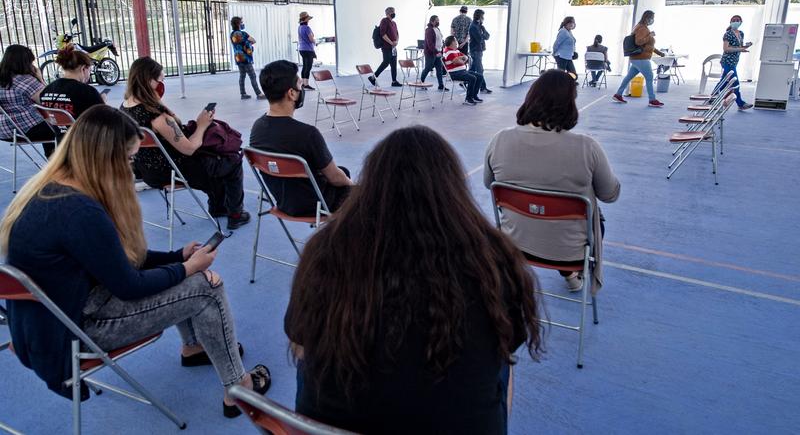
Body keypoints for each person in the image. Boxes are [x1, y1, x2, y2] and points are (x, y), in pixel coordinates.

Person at [0, 105, 270, 418]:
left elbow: (113, 259)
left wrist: (176, 258)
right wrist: (187, 267)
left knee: (183, 275)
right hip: (78, 332)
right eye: (129, 158)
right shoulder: (81, 212)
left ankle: (195, 346)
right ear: (107, 158)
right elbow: (129, 285)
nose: (132, 167)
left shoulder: (52, 191)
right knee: (206, 289)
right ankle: (239, 388)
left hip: (48, 325)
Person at [285, 125, 543, 434]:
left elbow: (299, 343)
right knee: (501, 363)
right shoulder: (493, 260)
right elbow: (507, 340)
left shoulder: (326, 250)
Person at [484, 70, 621, 292]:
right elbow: (610, 194)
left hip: (514, 243)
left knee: (537, 206)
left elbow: (489, 184)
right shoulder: (587, 147)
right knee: (587, 212)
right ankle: (570, 272)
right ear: (570, 104)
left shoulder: (500, 140)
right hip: (571, 252)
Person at [121, 57, 250, 230]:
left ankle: (219, 206)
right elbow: (189, 149)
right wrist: (202, 124)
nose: (162, 85)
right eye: (161, 80)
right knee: (231, 160)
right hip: (172, 171)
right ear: (149, 81)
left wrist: (159, 103)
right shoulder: (157, 116)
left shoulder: (125, 108)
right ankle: (236, 214)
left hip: (145, 170)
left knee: (213, 158)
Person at [250, 60, 353, 217]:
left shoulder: (257, 128)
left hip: (283, 203)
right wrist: (354, 186)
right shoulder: (308, 134)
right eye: (300, 84)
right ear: (291, 93)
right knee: (346, 181)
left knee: (342, 171)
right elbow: (335, 178)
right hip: (316, 206)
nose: (302, 88)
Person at [0, 44, 59, 157]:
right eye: (31, 62)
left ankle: (53, 160)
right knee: (63, 127)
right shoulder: (25, 80)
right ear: (24, 62)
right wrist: (40, 78)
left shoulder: (3, 79)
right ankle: (56, 160)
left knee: (46, 121)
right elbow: (48, 101)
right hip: (24, 129)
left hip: (4, 131)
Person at [40, 44, 104, 128]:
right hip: (83, 135)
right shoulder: (87, 92)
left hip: (60, 135)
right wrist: (103, 102)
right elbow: (104, 120)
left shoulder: (46, 91)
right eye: (90, 70)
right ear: (83, 68)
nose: (90, 74)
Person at [613, 10, 665, 107]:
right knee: (649, 77)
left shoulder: (640, 27)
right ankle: (652, 100)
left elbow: (648, 46)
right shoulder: (642, 28)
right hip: (641, 58)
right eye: (652, 18)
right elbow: (639, 42)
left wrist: (659, 53)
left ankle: (618, 94)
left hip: (636, 58)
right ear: (647, 18)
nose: (652, 20)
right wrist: (650, 35)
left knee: (629, 77)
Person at [716, 15, 754, 110]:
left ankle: (712, 98)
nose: (735, 22)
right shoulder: (728, 34)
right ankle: (741, 104)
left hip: (734, 61)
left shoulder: (741, 33)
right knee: (735, 82)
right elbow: (726, 49)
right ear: (730, 22)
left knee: (723, 82)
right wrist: (740, 49)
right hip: (727, 61)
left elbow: (739, 47)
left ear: (741, 22)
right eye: (734, 20)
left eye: (737, 20)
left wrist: (746, 47)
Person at [230, 16, 266, 100]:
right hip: (245, 58)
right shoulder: (243, 34)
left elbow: (238, 44)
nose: (243, 24)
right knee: (252, 75)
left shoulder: (232, 34)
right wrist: (248, 43)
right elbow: (253, 40)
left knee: (242, 75)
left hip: (238, 57)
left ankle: (243, 94)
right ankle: (259, 94)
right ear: (238, 24)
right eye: (241, 22)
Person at [443, 36, 481, 106]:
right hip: (454, 73)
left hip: (463, 71)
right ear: (452, 42)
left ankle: (474, 96)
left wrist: (460, 58)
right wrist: (461, 59)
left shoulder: (456, 50)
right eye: (455, 40)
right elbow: (457, 61)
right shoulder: (448, 52)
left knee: (480, 76)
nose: (456, 42)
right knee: (472, 78)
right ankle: (468, 99)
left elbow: (466, 57)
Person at [369, 7, 400, 87]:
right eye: (392, 12)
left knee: (394, 64)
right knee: (386, 62)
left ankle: (394, 81)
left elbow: (397, 34)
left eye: (394, 11)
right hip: (386, 47)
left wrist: (396, 41)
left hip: (393, 47)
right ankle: (373, 77)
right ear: (387, 13)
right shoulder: (384, 21)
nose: (393, 13)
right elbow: (383, 34)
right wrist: (391, 43)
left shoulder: (394, 23)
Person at [420, 15, 447, 91]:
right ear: (432, 21)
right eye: (436, 20)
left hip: (438, 52)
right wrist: (436, 52)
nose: (438, 21)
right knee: (428, 68)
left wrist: (441, 50)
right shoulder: (429, 30)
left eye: (438, 20)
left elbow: (440, 40)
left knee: (439, 70)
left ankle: (441, 85)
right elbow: (430, 43)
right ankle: (421, 82)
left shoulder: (437, 29)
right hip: (431, 53)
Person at [469, 9, 492, 94]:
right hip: (475, 50)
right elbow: (479, 39)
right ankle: (483, 87)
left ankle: (464, 81)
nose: (484, 18)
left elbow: (487, 36)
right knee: (480, 69)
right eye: (483, 16)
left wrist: (483, 30)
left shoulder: (480, 26)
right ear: (479, 16)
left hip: (479, 50)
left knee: (473, 68)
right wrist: (483, 34)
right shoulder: (473, 26)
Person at [297, 11, 316, 91]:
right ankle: (306, 84)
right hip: (308, 49)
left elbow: (299, 38)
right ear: (306, 20)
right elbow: (311, 39)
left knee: (305, 66)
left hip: (302, 49)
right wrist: (315, 42)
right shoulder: (307, 28)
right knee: (308, 67)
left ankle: (303, 83)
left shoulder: (299, 28)